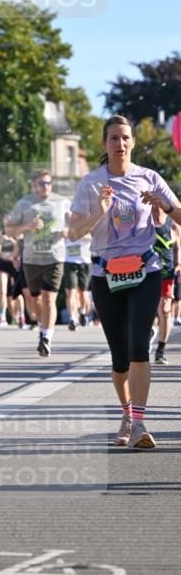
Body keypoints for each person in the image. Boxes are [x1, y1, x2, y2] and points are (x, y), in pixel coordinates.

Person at [68, 114, 181, 448]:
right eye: (114, 138)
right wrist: (99, 211)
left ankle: (140, 424)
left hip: (146, 270)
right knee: (119, 357)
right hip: (106, 275)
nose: (120, 144)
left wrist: (166, 205)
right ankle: (127, 413)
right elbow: (74, 232)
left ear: (133, 143)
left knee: (139, 347)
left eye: (125, 138)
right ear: (104, 144)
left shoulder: (149, 177)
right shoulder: (91, 183)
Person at [5, 169, 71, 356]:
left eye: (49, 183)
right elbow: (9, 231)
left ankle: (46, 337)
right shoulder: (24, 204)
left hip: (55, 257)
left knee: (49, 298)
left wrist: (69, 231)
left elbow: (76, 223)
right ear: (33, 185)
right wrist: (26, 226)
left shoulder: (62, 202)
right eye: (42, 183)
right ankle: (43, 327)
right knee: (35, 300)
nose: (46, 187)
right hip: (32, 258)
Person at [150, 203, 180, 364]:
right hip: (145, 273)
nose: (154, 208)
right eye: (151, 206)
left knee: (165, 310)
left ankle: (160, 350)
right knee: (146, 309)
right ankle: (147, 332)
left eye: (157, 205)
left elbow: (177, 246)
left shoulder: (172, 224)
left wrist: (179, 265)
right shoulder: (144, 223)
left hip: (167, 273)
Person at [63, 230, 92, 331]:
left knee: (83, 293)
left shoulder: (87, 218)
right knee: (71, 292)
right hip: (69, 261)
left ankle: (83, 312)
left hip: (85, 261)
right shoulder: (64, 217)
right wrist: (62, 234)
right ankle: (73, 319)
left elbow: (93, 237)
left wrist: (76, 234)